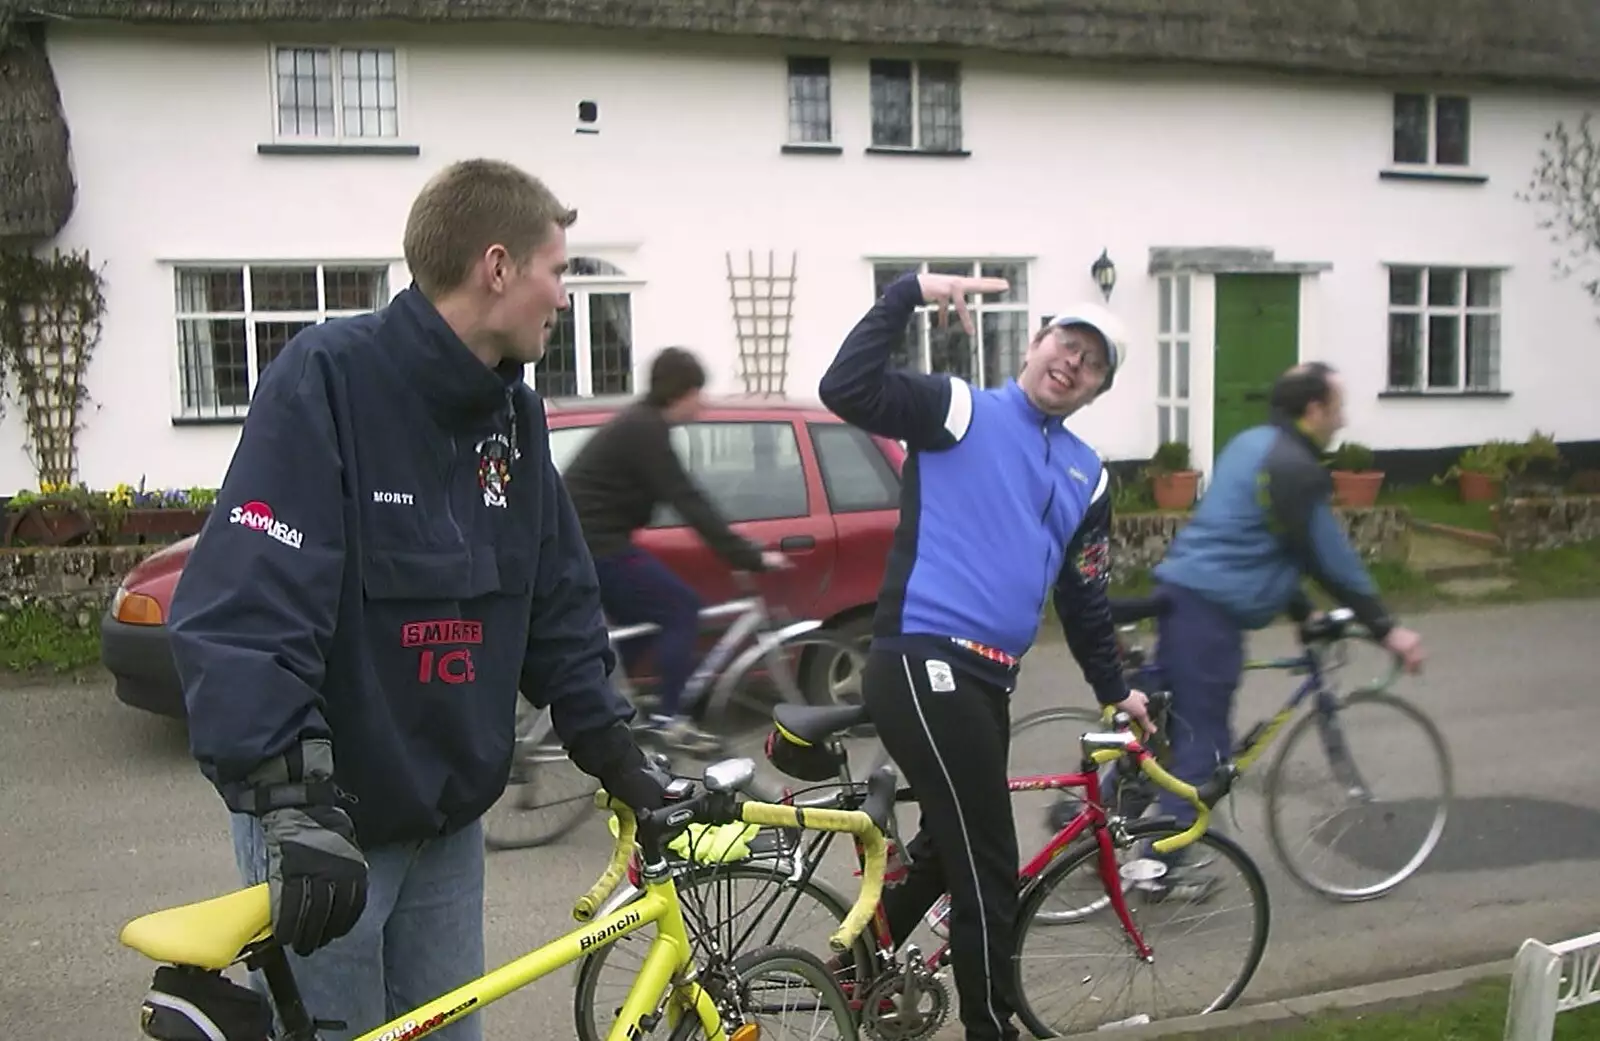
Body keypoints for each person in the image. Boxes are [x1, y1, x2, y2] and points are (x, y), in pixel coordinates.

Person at [166, 158, 667, 1041]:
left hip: (447, 830)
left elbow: (555, 598)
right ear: (499, 266)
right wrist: (290, 801)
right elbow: (245, 610)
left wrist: (619, 754)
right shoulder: (328, 379)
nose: (564, 294)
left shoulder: (514, 415)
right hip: (332, 837)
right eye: (559, 269)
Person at [817, 270, 1152, 1041]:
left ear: (1098, 390)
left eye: (1091, 362)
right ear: (1034, 344)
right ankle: (988, 1027)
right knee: (989, 862)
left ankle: (846, 974)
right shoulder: (960, 409)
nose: (1071, 362)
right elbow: (847, 386)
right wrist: (907, 293)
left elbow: (1086, 596)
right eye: (1065, 343)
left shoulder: (1087, 475)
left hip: (985, 681)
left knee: (947, 848)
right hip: (922, 657)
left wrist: (1116, 691)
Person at [1129, 361, 1428, 888]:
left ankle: (1096, 819)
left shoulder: (1253, 443)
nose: (1344, 417)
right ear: (1314, 410)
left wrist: (1302, 612)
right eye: (1338, 406)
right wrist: (1388, 629)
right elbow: (1325, 556)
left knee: (1165, 727)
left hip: (1183, 595)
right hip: (1210, 614)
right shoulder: (1295, 467)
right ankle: (1157, 865)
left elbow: (1263, 540)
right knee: (1203, 745)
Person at [561, 346, 789, 755]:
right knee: (681, 607)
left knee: (643, 622)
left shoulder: (642, 425)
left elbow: (683, 498)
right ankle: (669, 721)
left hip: (586, 542)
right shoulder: (644, 430)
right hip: (596, 545)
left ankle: (623, 708)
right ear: (679, 392)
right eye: (698, 392)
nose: (703, 403)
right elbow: (688, 499)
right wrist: (745, 555)